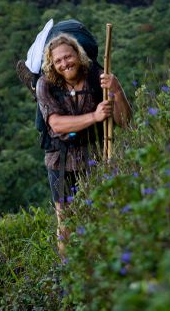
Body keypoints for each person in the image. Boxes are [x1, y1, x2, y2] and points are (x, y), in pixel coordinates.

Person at [35, 33, 132, 258]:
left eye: (68, 57)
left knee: (101, 212)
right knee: (65, 221)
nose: (64, 63)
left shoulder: (97, 77)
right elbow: (57, 125)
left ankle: (104, 261)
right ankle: (68, 271)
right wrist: (94, 117)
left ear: (78, 55)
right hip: (60, 160)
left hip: (95, 155)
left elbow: (125, 122)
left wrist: (116, 90)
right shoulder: (45, 84)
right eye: (57, 61)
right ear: (51, 63)